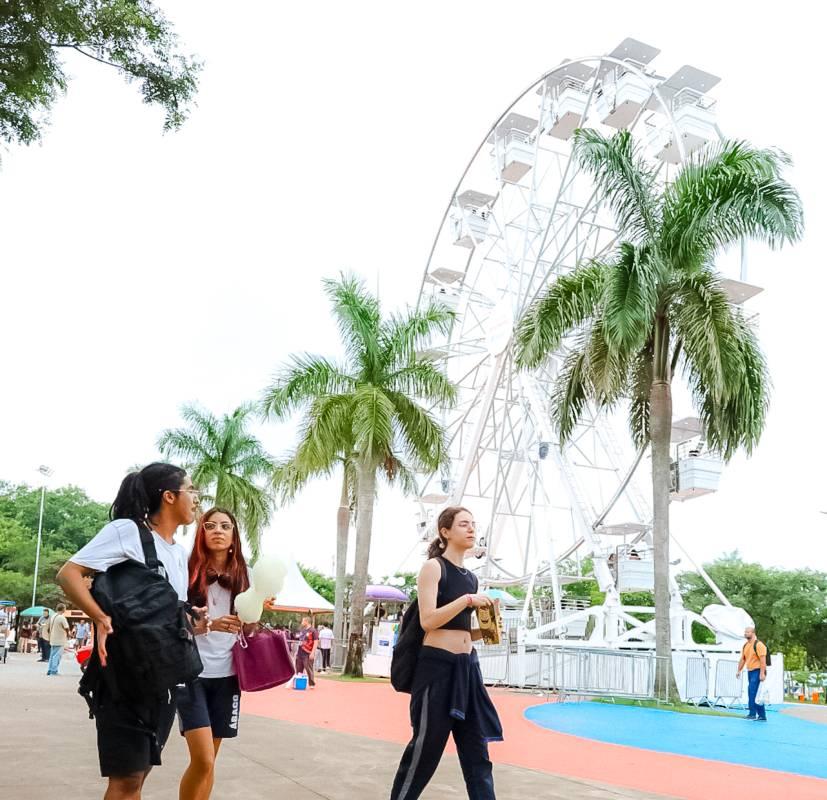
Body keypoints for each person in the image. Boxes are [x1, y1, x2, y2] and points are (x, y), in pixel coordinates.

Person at [56, 462, 200, 800]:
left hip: (161, 677)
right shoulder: (128, 531)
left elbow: (167, 613)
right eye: (191, 490)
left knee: (139, 777)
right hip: (124, 675)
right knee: (125, 781)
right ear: (168, 496)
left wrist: (197, 620)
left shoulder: (178, 553)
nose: (196, 498)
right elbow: (69, 574)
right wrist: (100, 617)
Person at [390, 506, 502, 800]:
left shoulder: (471, 578)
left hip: (468, 670)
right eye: (464, 524)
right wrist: (467, 601)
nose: (471, 529)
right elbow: (429, 620)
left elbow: (463, 630)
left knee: (478, 755)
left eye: (473, 524)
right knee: (424, 752)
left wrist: (491, 629)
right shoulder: (434, 568)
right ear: (445, 531)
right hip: (437, 669)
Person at [176, 507, 268, 800]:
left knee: (209, 762)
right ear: (201, 532)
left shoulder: (248, 575)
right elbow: (174, 621)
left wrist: (255, 613)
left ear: (233, 535)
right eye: (210, 525)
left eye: (225, 526)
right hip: (191, 672)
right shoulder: (185, 570)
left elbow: (251, 627)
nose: (218, 531)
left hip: (228, 675)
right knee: (202, 759)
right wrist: (209, 624)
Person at [736, 626, 768, 722]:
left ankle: (755, 714)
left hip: (757, 670)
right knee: (752, 692)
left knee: (753, 691)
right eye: (745, 632)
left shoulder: (759, 645)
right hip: (750, 671)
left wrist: (762, 673)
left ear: (753, 633)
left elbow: (763, 661)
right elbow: (743, 659)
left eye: (748, 632)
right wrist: (739, 670)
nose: (745, 633)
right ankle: (758, 715)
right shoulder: (746, 645)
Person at [46, 603, 70, 675]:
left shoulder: (53, 616)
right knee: (57, 656)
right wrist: (68, 635)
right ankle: (54, 670)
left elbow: (48, 628)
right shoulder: (62, 617)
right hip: (60, 639)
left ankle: (50, 670)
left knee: (52, 655)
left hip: (53, 639)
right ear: (63, 609)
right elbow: (66, 628)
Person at [295, 617, 318, 687]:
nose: (302, 622)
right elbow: (298, 637)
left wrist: (312, 653)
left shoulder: (313, 631)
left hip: (308, 652)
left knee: (308, 668)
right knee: (298, 667)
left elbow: (316, 642)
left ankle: (311, 683)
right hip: (300, 651)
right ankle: (299, 683)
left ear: (307, 622)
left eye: (303, 621)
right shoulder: (302, 630)